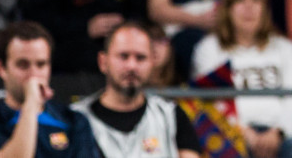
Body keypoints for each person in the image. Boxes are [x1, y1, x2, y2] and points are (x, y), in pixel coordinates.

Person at [192, 0, 292, 158]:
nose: (249, 8)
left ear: (265, 8)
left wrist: (278, 132)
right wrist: (245, 133)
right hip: (229, 135)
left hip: (282, 134)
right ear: (227, 9)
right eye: (240, 0)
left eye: (256, 0)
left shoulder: (285, 47)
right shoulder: (209, 48)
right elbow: (211, 103)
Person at [0, 21, 101, 157]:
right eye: (23, 65)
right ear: (2, 68)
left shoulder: (74, 121)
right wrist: (31, 104)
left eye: (41, 64)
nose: (33, 74)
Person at [72, 22, 200, 158]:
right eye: (123, 56)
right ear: (103, 62)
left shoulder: (171, 116)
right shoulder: (74, 119)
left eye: (140, 58)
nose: (132, 66)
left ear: (153, 62)